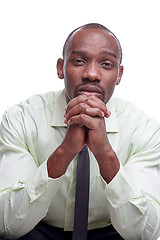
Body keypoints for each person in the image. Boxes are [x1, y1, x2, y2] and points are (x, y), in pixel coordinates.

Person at [0, 23, 160, 240]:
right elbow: (7, 225)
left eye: (106, 64)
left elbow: (145, 233)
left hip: (110, 233)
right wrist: (64, 151)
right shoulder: (20, 119)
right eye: (79, 61)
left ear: (119, 74)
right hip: (38, 231)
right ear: (60, 67)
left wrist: (105, 154)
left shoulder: (144, 130)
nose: (92, 74)